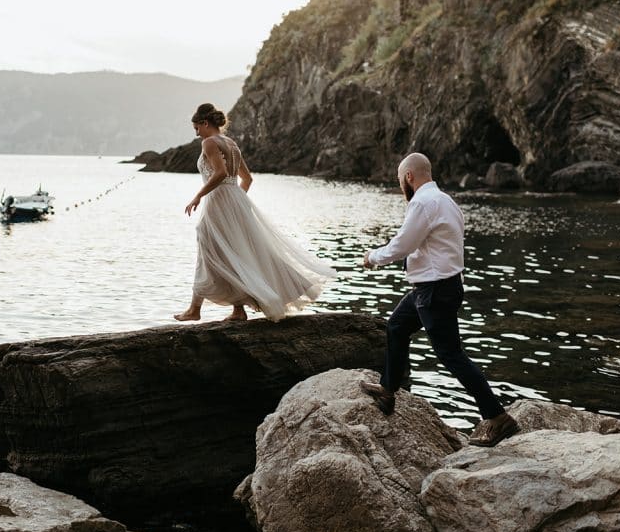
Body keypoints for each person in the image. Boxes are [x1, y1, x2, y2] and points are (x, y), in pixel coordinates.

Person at [361, 152, 519, 447]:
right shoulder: (447, 201)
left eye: (400, 180)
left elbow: (402, 245)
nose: (400, 186)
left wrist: (372, 257)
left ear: (409, 177)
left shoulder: (422, 202)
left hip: (434, 290)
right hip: (437, 287)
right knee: (396, 326)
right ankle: (387, 390)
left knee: (451, 355)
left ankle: (498, 418)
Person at [174, 103, 335, 322]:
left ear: (204, 123)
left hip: (218, 203)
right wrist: (235, 204)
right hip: (235, 202)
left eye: (197, 128)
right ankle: (238, 310)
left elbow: (220, 173)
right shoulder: (231, 144)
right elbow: (247, 179)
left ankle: (195, 310)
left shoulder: (209, 142)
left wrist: (199, 196)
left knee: (208, 250)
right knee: (234, 252)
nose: (196, 133)